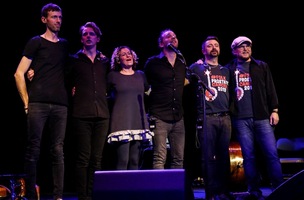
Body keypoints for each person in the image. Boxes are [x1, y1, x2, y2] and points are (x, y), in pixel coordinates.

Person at [14, 3, 68, 200]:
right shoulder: (35, 42)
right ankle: (30, 195)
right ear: (44, 20)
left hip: (61, 104)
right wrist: (27, 102)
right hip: (38, 103)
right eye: (54, 17)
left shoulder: (64, 45)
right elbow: (19, 73)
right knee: (33, 149)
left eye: (60, 17)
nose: (58, 20)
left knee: (58, 150)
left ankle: (58, 196)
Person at [226, 36, 284, 200]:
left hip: (262, 117)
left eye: (248, 46)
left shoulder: (261, 66)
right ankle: (254, 191)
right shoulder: (228, 69)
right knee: (249, 156)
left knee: (271, 154)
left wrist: (275, 110)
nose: (245, 49)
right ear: (234, 50)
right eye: (241, 47)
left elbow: (271, 89)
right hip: (240, 119)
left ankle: (280, 188)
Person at [68, 22, 110, 200]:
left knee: (97, 159)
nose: (88, 36)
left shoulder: (105, 62)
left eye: (92, 34)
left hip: (102, 114)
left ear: (98, 38)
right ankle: (83, 196)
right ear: (81, 39)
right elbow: (61, 79)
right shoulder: (74, 60)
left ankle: (94, 194)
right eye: (85, 34)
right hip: (81, 113)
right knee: (83, 158)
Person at [189, 36, 235, 200]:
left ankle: (224, 191)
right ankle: (211, 193)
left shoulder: (226, 70)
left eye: (216, 45)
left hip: (225, 118)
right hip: (207, 117)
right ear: (203, 50)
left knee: (224, 156)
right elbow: (185, 84)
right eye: (209, 46)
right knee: (208, 157)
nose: (213, 48)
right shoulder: (196, 67)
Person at [144, 28, 188, 170]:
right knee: (159, 157)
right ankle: (159, 190)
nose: (173, 38)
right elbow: (144, 85)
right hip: (159, 116)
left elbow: (184, 81)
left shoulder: (182, 62)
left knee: (178, 158)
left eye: (175, 36)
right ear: (161, 43)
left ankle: (176, 191)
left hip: (178, 116)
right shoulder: (153, 63)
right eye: (169, 36)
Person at [107, 46, 154, 170]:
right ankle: (120, 189)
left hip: (138, 121)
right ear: (118, 59)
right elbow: (104, 95)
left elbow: (149, 93)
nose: (128, 56)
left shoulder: (140, 75)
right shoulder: (113, 76)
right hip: (121, 122)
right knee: (123, 159)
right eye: (124, 54)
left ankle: (133, 189)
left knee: (135, 160)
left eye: (129, 53)